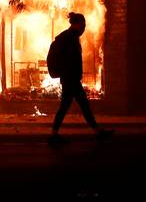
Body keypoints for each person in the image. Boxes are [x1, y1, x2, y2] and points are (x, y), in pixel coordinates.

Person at [48, 12, 114, 145]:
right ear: (78, 24)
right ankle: (55, 135)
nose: (84, 27)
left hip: (70, 79)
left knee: (77, 106)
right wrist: (69, 74)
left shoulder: (69, 37)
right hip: (70, 79)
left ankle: (96, 131)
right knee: (79, 106)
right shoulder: (69, 38)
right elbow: (70, 60)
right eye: (83, 24)